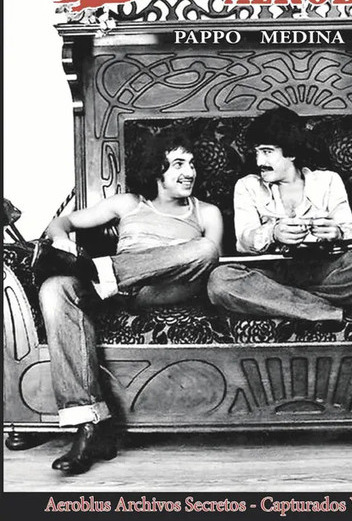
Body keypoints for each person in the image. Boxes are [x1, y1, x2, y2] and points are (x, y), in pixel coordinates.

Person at [33, 131, 223, 474]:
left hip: (164, 290)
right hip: (116, 294)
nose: (189, 172)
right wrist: (61, 242)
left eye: (192, 164)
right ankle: (90, 424)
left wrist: (111, 271)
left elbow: (210, 266)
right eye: (179, 164)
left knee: (206, 250)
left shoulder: (206, 213)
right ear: (157, 170)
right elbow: (61, 222)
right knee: (54, 288)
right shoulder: (128, 204)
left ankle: (101, 272)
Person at [207, 107, 352, 329]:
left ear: (291, 152)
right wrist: (273, 233)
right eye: (256, 152)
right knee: (220, 281)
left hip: (325, 273)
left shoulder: (328, 181)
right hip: (271, 276)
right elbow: (243, 241)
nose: (259, 161)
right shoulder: (247, 186)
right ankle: (333, 311)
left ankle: (286, 304)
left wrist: (337, 232)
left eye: (267, 152)